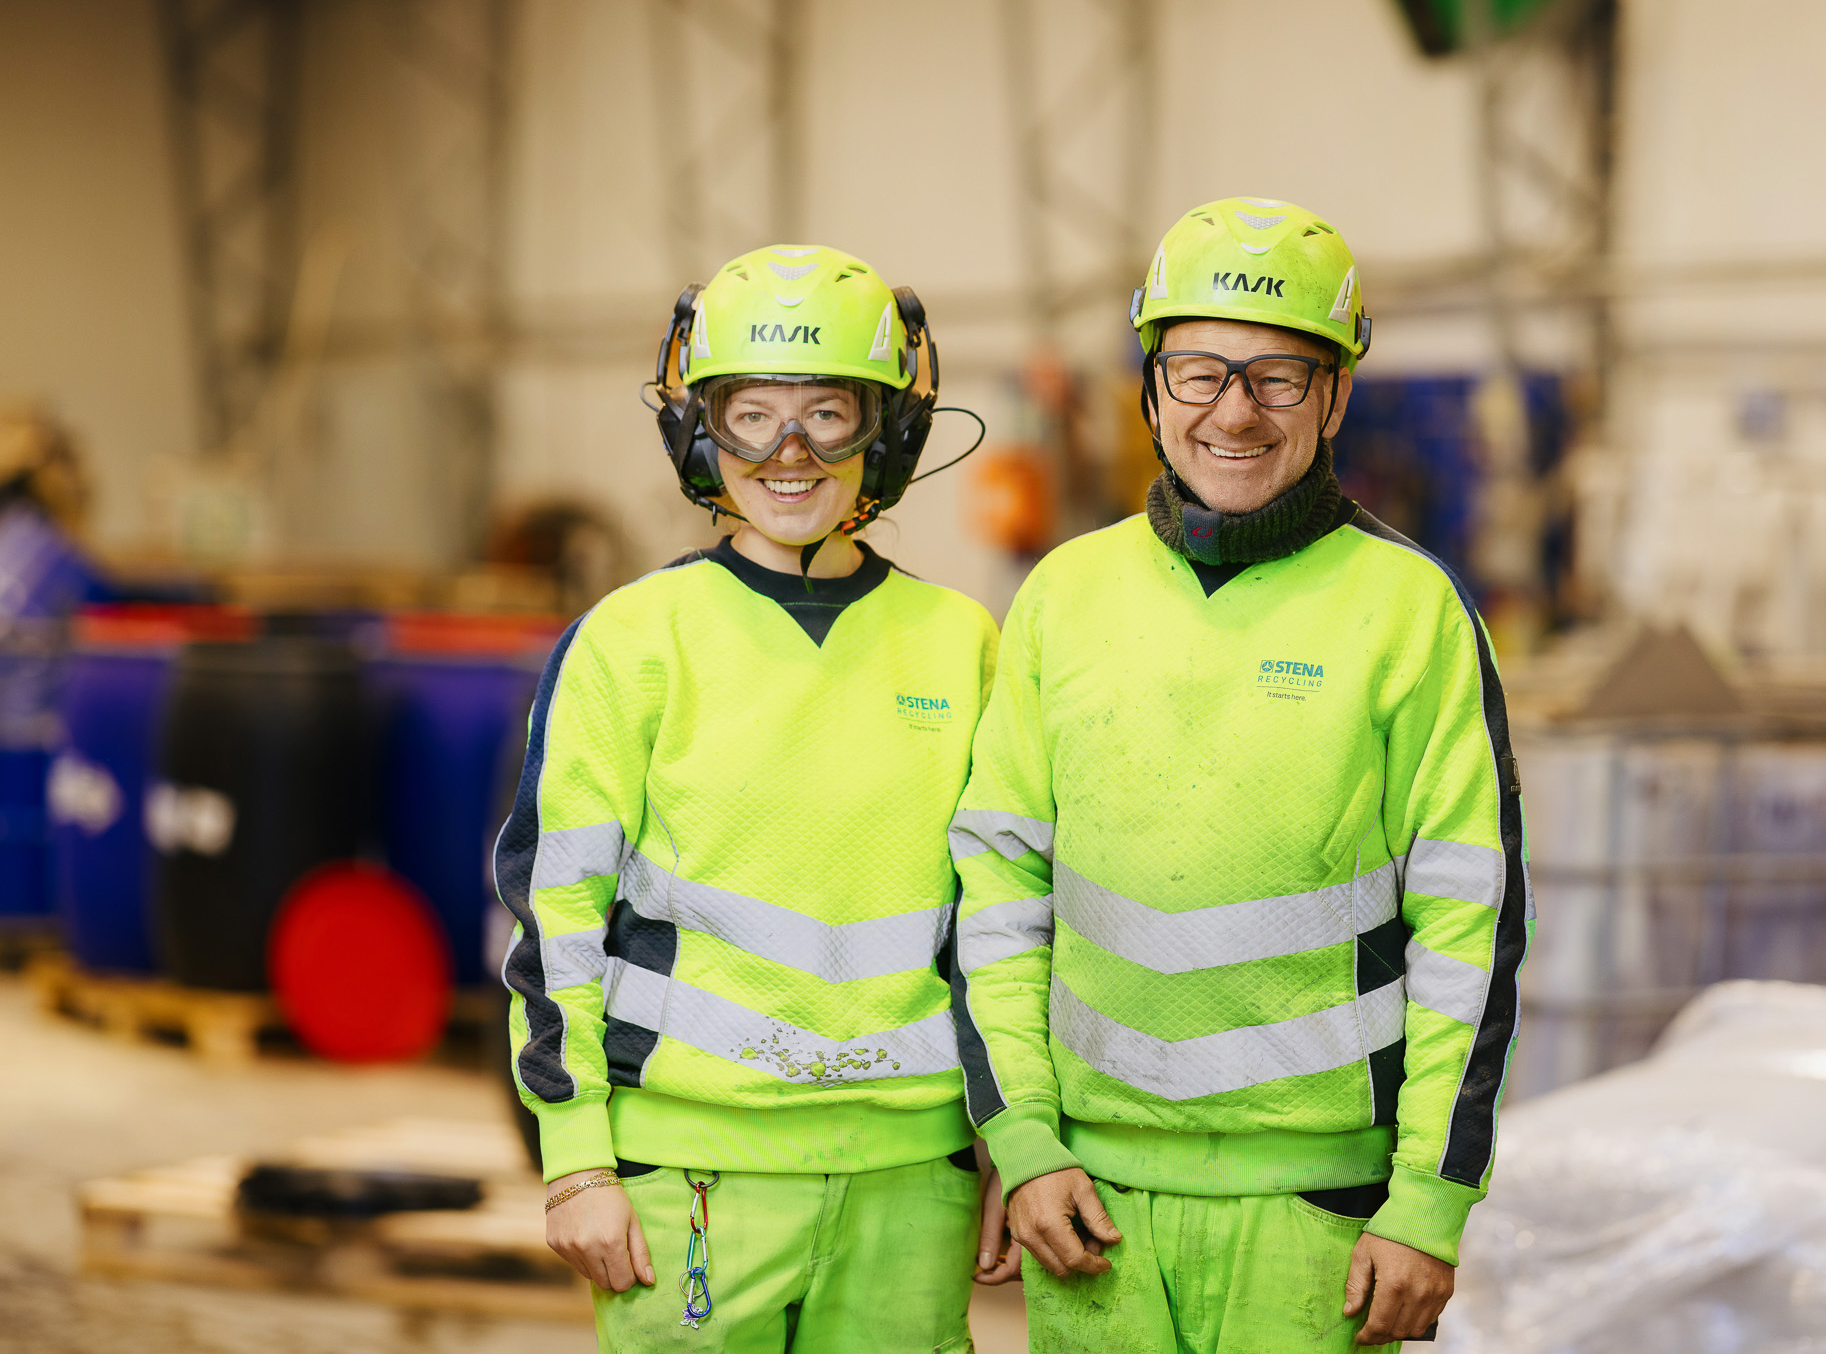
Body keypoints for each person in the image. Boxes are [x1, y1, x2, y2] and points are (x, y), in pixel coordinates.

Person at [950, 197, 1531, 1351]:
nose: (1233, 411)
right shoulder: (1062, 597)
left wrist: (1428, 1195)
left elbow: (1468, 927)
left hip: (1316, 1221)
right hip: (1090, 1207)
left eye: (1276, 377)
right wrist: (1017, 1137)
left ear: (1335, 396)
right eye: (1198, 371)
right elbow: (997, 894)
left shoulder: (1409, 612)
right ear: (1151, 388)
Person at [495, 244, 1009, 1352]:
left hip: (910, 1178)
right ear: (697, 429)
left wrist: (1015, 1136)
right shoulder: (631, 642)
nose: (789, 451)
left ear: (890, 432)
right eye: (751, 413)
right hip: (688, 1178)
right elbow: (556, 918)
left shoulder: (961, 644)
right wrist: (576, 1156)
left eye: (827, 413)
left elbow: (1004, 925)